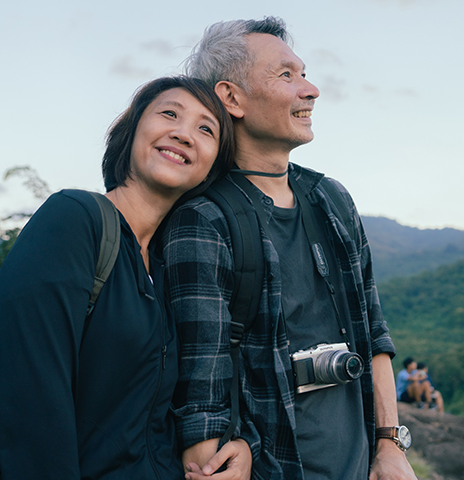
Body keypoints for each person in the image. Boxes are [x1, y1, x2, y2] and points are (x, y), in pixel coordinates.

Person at [163, 17, 417, 480]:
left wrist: (389, 445)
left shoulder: (331, 198)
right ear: (231, 98)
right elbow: (201, 394)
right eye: (286, 75)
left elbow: (373, 333)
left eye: (304, 72)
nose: (311, 89)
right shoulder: (204, 219)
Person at [0, 76, 252, 479]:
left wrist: (238, 448)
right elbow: (32, 404)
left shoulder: (167, 265)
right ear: (131, 132)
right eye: (169, 113)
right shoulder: (73, 220)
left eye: (205, 129)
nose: (183, 134)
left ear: (212, 166)